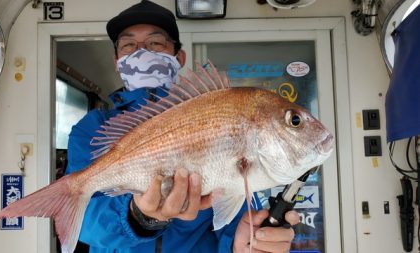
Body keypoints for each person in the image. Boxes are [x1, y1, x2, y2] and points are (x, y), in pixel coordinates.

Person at [66, 1, 300, 252]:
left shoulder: (213, 113)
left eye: (155, 43)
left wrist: (241, 244)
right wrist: (138, 217)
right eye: (128, 45)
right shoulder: (94, 129)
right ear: (116, 60)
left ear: (179, 57)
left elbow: (232, 208)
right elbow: (85, 224)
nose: (141, 52)